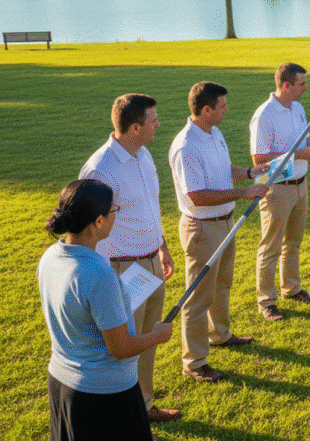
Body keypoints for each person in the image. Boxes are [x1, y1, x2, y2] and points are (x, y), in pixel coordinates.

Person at [38, 179, 173, 440]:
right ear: (98, 222)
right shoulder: (100, 276)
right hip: (103, 396)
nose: (115, 216)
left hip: (62, 384)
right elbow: (120, 348)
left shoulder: (49, 258)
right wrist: (158, 334)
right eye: (113, 211)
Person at [78, 93, 180, 423]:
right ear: (135, 127)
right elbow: (87, 231)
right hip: (120, 270)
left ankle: (144, 404)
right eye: (153, 120)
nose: (159, 125)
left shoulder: (143, 154)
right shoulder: (101, 170)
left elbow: (149, 207)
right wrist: (105, 277)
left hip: (150, 261)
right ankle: (119, 410)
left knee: (146, 340)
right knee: (122, 346)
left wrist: (161, 246)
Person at [169, 81, 269, 383]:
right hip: (202, 228)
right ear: (206, 110)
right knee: (198, 297)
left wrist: (251, 172)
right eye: (222, 107)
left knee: (222, 285)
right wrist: (244, 193)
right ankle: (194, 361)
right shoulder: (186, 145)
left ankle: (220, 334)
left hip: (225, 222)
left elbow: (224, 171)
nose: (227, 110)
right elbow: (198, 195)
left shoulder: (214, 133)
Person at [249, 62, 310, 322]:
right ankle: (266, 301)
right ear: (286, 86)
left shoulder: (298, 108)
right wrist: (298, 154)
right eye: (301, 83)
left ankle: (291, 289)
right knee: (271, 247)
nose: (306, 88)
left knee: (293, 243)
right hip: (277, 189)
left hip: (300, 184)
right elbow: (259, 157)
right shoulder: (264, 115)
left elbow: (302, 143)